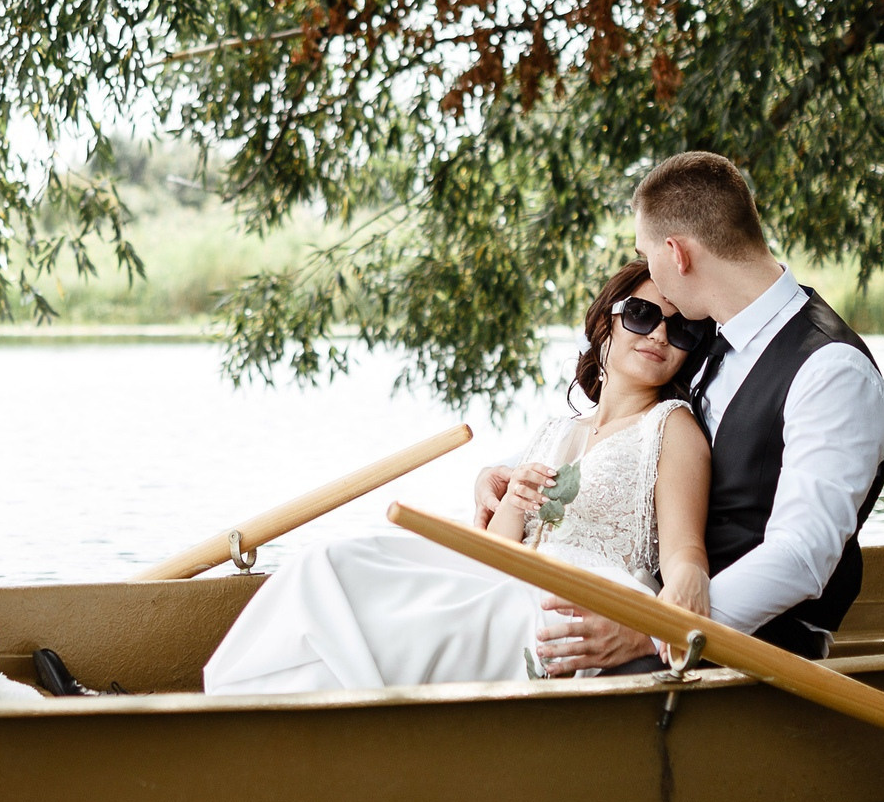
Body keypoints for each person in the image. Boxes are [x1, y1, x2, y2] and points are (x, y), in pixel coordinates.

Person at [202, 260, 716, 694]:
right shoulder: (556, 430)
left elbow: (684, 554)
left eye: (682, 328)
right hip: (509, 573)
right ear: (606, 321)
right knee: (331, 563)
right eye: (643, 315)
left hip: (578, 598)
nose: (660, 335)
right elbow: (496, 549)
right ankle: (246, 707)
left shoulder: (672, 428)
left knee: (408, 618)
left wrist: (674, 609)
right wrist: (512, 501)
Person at [475, 151, 884, 663]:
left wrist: (650, 632)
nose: (661, 329)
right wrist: (500, 475)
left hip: (752, 648)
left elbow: (802, 557)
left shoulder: (831, 370)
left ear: (676, 254)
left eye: (644, 254)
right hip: (649, 604)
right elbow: (625, 446)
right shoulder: (708, 338)